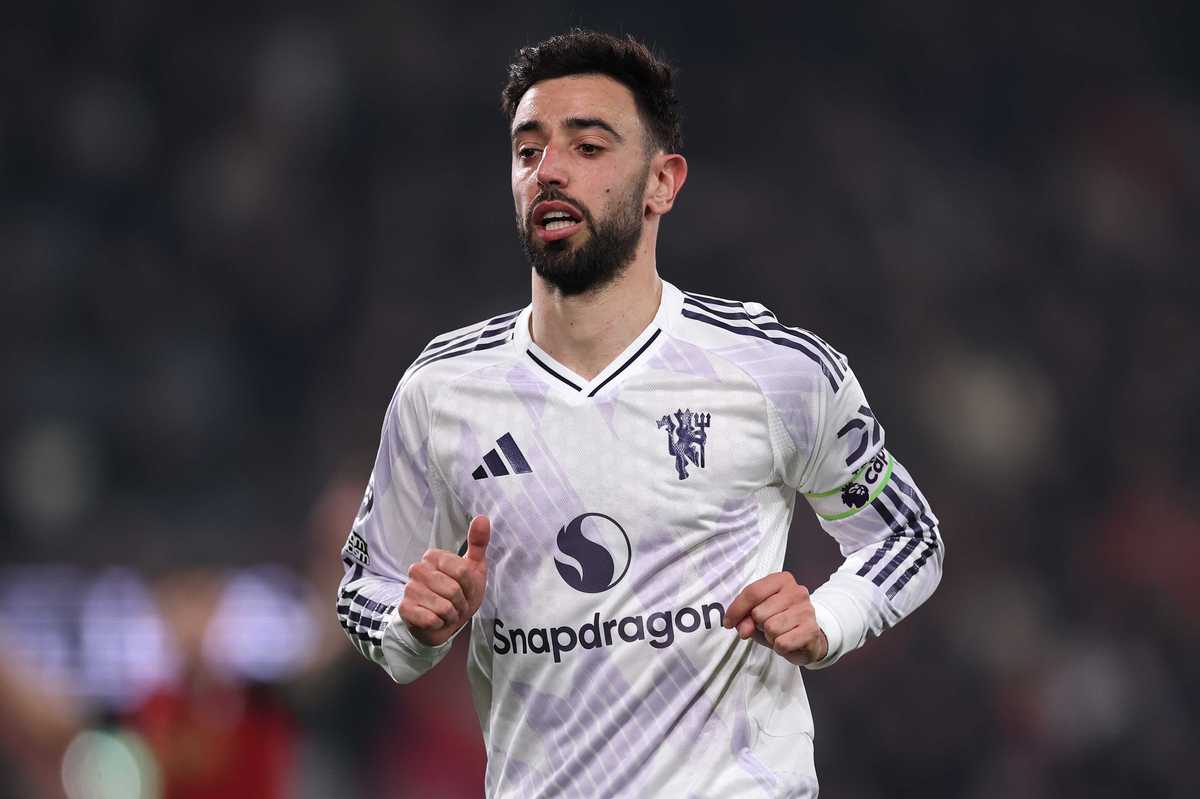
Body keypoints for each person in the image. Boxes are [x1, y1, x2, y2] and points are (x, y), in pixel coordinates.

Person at [337, 29, 943, 798]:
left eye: (588, 148)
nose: (549, 170)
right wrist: (412, 625)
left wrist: (829, 618)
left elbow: (907, 534)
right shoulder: (442, 390)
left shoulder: (776, 370)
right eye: (529, 151)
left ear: (663, 181)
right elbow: (366, 586)